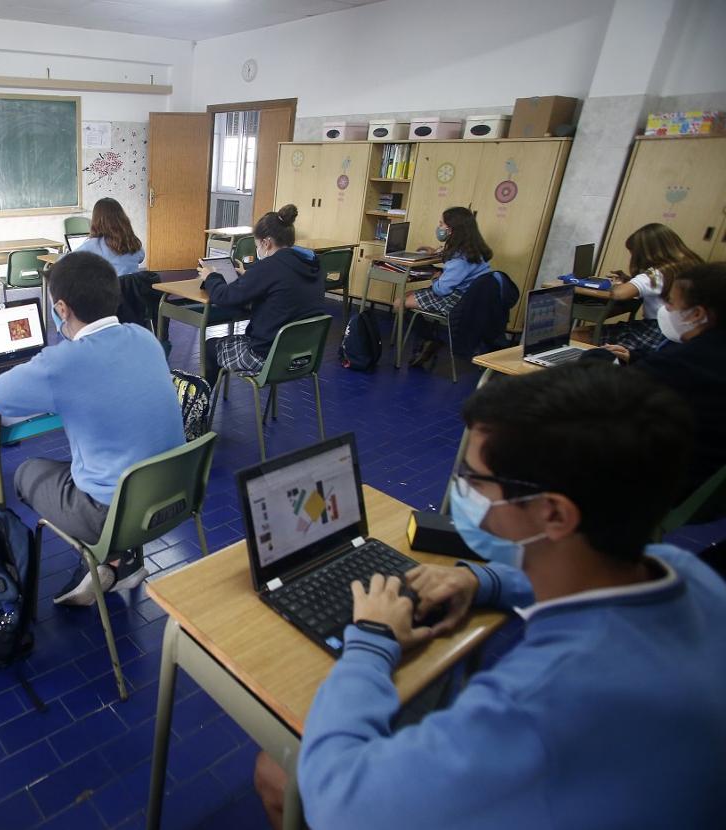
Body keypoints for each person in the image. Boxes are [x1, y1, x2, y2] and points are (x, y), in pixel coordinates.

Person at [251, 362, 726, 830]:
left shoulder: (534, 703)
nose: (463, 490)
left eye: (476, 479)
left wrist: (372, 640)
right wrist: (483, 580)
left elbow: (340, 800)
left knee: (276, 774)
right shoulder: (689, 575)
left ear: (554, 515)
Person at [0, 251, 185, 604]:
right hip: (176, 496)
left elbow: (0, 397)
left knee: (27, 473)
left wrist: (58, 350)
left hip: (115, 513)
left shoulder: (62, 362)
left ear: (62, 309)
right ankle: (116, 561)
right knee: (106, 459)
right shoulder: (144, 338)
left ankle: (102, 557)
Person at [605, 261, 726, 492]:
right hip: (708, 484)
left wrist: (597, 358)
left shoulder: (688, 361)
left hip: (672, 479)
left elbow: (611, 393)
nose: (667, 309)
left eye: (671, 302)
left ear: (697, 314)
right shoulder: (709, 351)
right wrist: (637, 357)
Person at [198, 204, 326, 383]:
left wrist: (211, 276)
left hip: (268, 358)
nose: (257, 249)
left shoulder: (269, 268)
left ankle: (201, 406)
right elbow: (282, 287)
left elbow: (224, 297)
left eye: (257, 244)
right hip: (304, 357)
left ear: (266, 243)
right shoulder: (313, 265)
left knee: (210, 347)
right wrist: (251, 275)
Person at [405, 206, 494, 366]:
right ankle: (428, 339)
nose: (439, 227)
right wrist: (437, 253)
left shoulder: (460, 259)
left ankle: (429, 340)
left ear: (452, 230)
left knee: (400, 302)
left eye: (441, 224)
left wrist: (434, 276)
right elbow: (455, 267)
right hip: (469, 296)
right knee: (409, 295)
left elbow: (442, 289)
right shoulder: (473, 248)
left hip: (457, 300)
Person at [599, 223, 702, 354]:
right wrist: (631, 280)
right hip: (682, 329)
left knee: (580, 335)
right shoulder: (690, 263)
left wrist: (618, 284)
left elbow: (619, 294)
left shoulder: (657, 273)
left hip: (657, 330)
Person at [73, 197, 145, 275]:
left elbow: (67, 261)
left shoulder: (93, 245)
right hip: (132, 286)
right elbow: (141, 258)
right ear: (122, 218)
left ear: (96, 220)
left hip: (109, 286)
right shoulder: (133, 242)